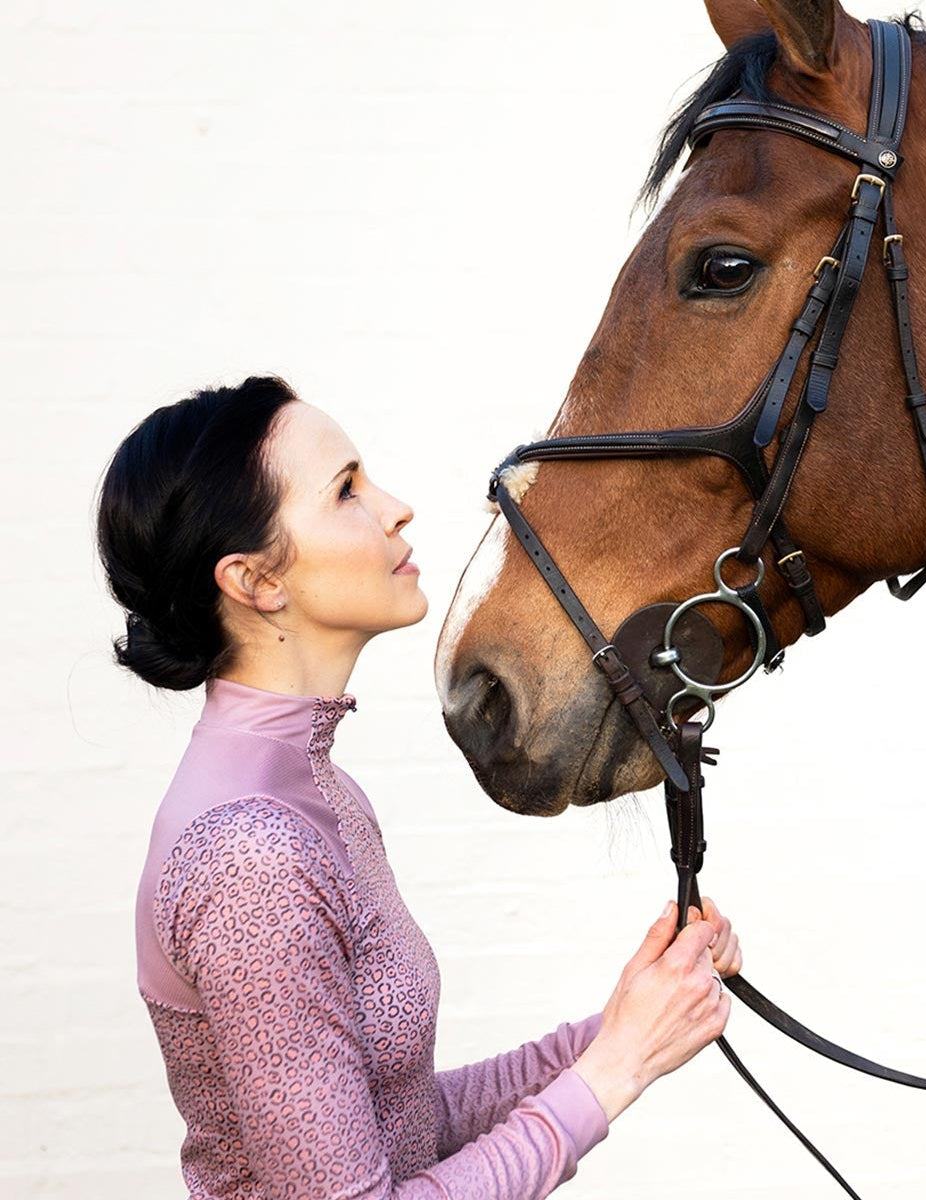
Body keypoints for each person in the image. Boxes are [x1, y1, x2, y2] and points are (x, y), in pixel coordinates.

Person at [96, 375, 741, 1199]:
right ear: (255, 582)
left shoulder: (314, 792)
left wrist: (632, 1022)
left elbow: (406, 1122)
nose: (395, 506)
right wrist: (614, 1071)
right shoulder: (249, 860)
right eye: (346, 491)